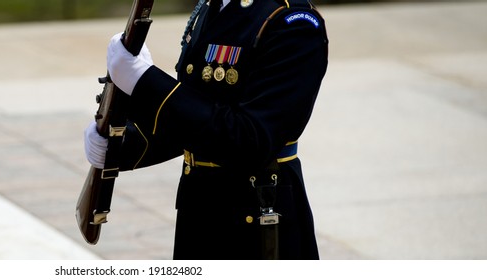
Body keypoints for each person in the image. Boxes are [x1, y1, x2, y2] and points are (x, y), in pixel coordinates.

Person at [84, 0, 328, 260]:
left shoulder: (294, 21)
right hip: (198, 213)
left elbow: (250, 140)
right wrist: (121, 146)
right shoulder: (213, 5)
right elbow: (198, 119)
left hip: (256, 223)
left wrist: (146, 83)